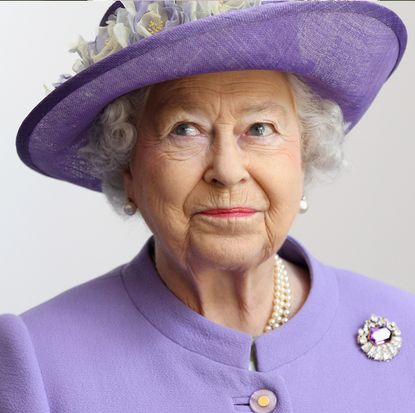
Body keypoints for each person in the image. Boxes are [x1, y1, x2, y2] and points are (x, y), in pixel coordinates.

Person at [1, 1, 414, 412]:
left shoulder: (407, 327)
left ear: (304, 156)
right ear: (127, 168)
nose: (228, 170)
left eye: (260, 128)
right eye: (185, 130)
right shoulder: (38, 362)